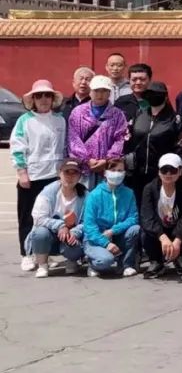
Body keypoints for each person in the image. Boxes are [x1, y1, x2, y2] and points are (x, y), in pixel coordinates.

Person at [12, 79, 67, 270]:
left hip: (54, 177)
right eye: (39, 96)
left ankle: (44, 254)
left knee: (49, 217)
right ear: (33, 99)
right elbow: (17, 147)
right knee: (28, 217)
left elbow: (64, 147)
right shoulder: (25, 120)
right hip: (32, 177)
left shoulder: (60, 120)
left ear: (52, 99)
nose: (44, 99)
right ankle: (26, 254)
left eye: (47, 95)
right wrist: (22, 172)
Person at [24, 158, 86, 278]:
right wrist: (60, 226)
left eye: (74, 173)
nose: (70, 177)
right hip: (50, 237)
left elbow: (87, 221)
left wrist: (75, 232)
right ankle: (42, 265)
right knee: (40, 233)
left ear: (79, 176)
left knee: (77, 242)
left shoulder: (85, 194)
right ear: (59, 173)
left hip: (71, 236)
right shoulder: (48, 192)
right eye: (67, 172)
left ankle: (72, 260)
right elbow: (38, 218)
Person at [123, 80, 180, 206]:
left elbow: (179, 147)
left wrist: (171, 169)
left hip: (162, 172)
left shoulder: (174, 119)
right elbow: (128, 138)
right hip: (137, 172)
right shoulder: (139, 114)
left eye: (157, 94)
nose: (153, 96)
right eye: (149, 93)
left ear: (165, 96)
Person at [82, 157, 141, 278]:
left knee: (135, 229)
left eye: (120, 170)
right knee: (105, 261)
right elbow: (89, 226)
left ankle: (126, 265)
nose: (116, 174)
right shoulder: (94, 195)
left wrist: (113, 230)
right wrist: (106, 243)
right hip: (97, 237)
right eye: (113, 170)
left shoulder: (129, 193)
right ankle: (92, 263)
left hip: (117, 235)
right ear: (105, 173)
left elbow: (133, 218)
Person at [67, 74, 127, 189]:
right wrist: (87, 160)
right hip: (83, 168)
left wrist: (107, 160)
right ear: (90, 91)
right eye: (96, 91)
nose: (100, 94)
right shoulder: (78, 112)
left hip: (107, 168)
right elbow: (73, 138)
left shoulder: (117, 114)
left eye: (104, 91)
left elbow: (120, 139)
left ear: (109, 93)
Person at [140, 153, 182, 279]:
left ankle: (179, 256)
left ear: (180, 171)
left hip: (176, 229)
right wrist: (162, 236)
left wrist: (178, 239)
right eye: (164, 170)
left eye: (173, 170)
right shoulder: (149, 189)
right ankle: (156, 260)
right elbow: (147, 216)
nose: (168, 174)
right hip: (159, 230)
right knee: (145, 231)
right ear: (159, 172)